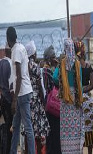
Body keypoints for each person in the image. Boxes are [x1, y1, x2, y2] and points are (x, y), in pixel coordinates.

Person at [6, 26, 35, 154]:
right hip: (25, 90)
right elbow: (27, 70)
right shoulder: (22, 48)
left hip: (22, 93)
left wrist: (14, 99)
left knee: (28, 127)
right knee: (16, 125)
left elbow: (18, 76)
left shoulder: (16, 51)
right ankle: (12, 151)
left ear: (7, 39)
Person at [74, 41, 93, 154]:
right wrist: (85, 90)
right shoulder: (88, 66)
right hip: (88, 102)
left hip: (77, 100)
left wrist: (79, 90)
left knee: (78, 128)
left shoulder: (73, 66)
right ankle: (89, 151)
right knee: (90, 127)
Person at [59, 39, 84, 154]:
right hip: (76, 99)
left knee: (66, 128)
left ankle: (66, 150)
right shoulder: (77, 63)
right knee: (75, 126)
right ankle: (76, 150)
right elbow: (80, 82)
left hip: (66, 99)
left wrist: (64, 86)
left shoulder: (62, 63)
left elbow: (55, 78)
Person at [25, 41, 50, 154]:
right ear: (33, 54)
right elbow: (40, 86)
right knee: (39, 130)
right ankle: (39, 152)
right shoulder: (35, 66)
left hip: (27, 99)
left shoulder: (24, 66)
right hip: (36, 101)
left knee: (28, 130)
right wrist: (44, 101)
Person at [42, 45, 61, 154]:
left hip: (49, 105)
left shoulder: (46, 70)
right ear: (49, 58)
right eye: (53, 56)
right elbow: (56, 82)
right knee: (54, 132)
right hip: (52, 106)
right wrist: (58, 66)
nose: (55, 58)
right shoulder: (48, 71)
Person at [0, 44, 14, 153]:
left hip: (2, 99)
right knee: (11, 128)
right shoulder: (10, 63)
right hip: (9, 99)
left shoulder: (1, 63)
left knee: (5, 127)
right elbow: (11, 84)